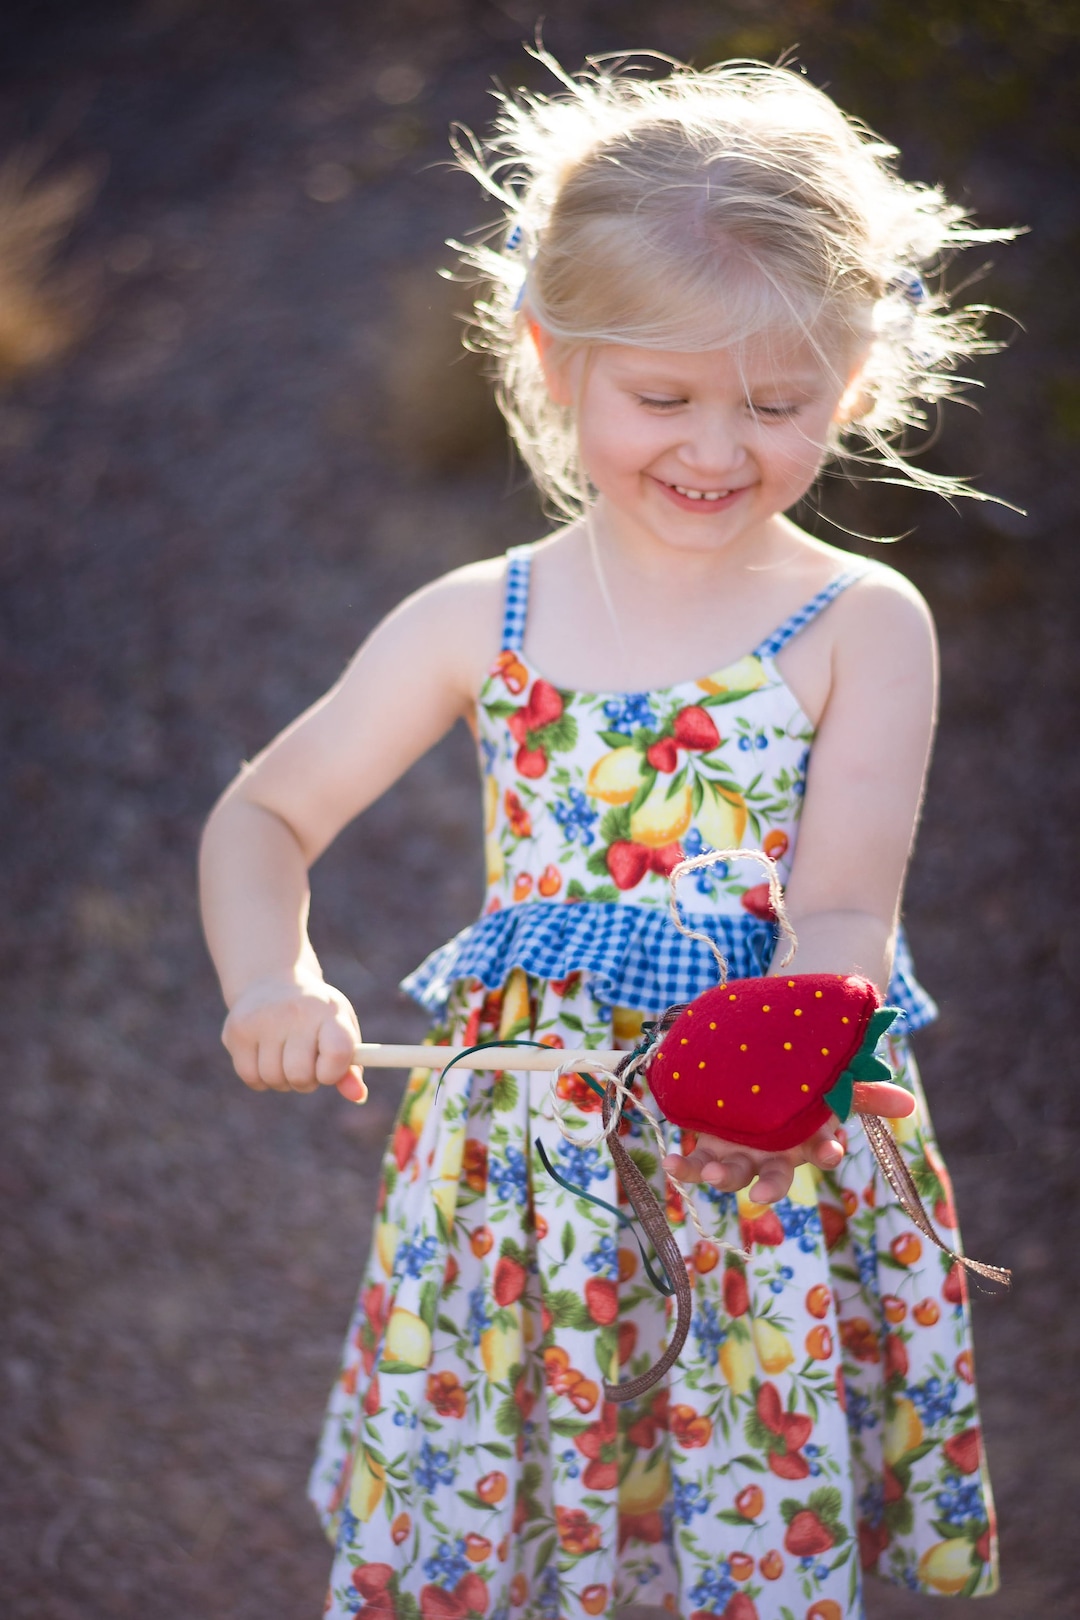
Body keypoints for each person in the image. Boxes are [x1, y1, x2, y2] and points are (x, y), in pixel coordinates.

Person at [199, 51, 1010, 1620]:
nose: (718, 450)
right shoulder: (477, 620)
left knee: (731, 1496)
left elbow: (843, 913)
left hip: (758, 1147)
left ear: (853, 381)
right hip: (523, 1167)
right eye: (665, 398)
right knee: (515, 1482)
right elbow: (266, 812)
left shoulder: (862, 623)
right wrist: (269, 979)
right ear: (552, 358)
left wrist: (775, 1074)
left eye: (778, 404)